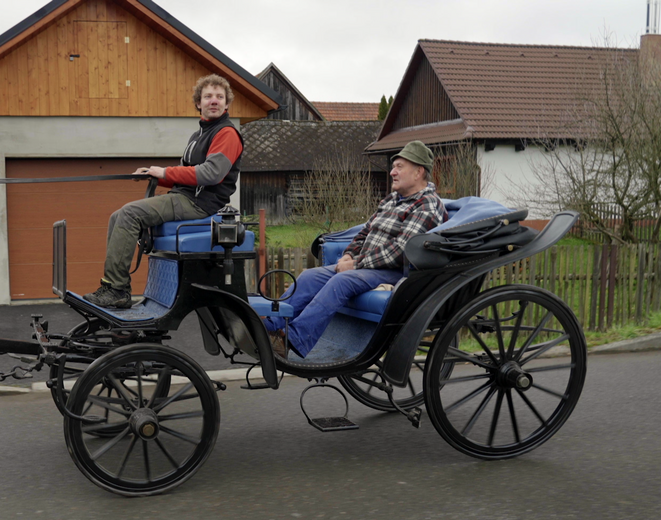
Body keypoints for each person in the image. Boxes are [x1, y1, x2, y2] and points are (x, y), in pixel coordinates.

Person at [265, 140, 448, 358]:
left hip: (398, 273)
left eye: (399, 167)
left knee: (341, 282)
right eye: (393, 167)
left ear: (418, 172)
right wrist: (349, 254)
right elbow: (363, 233)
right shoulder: (391, 200)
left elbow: (401, 249)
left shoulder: (427, 204)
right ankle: (269, 325)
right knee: (310, 276)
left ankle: (293, 339)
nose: (392, 172)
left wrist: (355, 264)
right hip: (366, 266)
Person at [83, 74, 244, 308]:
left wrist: (164, 172)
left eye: (219, 97)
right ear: (198, 103)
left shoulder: (226, 133)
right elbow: (188, 174)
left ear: (227, 104)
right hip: (185, 196)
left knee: (130, 213)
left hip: (200, 204)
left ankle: (117, 290)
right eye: (208, 96)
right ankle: (113, 285)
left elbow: (211, 174)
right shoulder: (197, 135)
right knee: (117, 216)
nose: (214, 101)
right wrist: (154, 175)